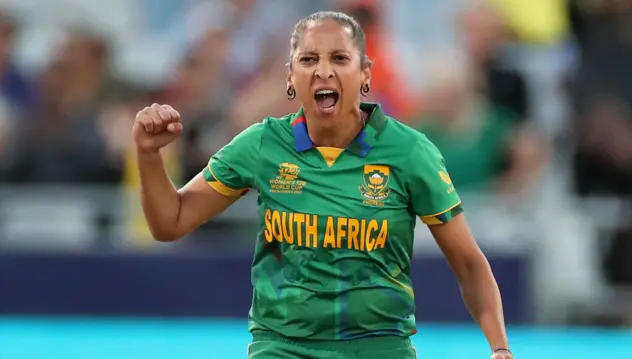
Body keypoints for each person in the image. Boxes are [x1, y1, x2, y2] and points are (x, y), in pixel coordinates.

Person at [132, 11, 513, 359]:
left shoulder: (410, 152)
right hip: (282, 347)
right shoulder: (262, 144)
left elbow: (468, 263)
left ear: (365, 74)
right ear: (290, 76)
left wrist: (499, 347)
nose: (323, 71)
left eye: (339, 58)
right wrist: (149, 155)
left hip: (379, 348)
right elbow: (171, 221)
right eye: (309, 59)